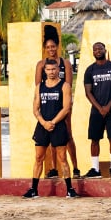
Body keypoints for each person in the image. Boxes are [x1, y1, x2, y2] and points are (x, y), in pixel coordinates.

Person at [24, 58, 80, 199]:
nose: (51, 72)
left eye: (54, 69)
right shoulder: (39, 87)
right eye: (48, 69)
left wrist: (53, 122)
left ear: (58, 70)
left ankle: (69, 189)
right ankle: (34, 190)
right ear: (44, 71)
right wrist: (44, 123)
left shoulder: (64, 86)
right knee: (38, 157)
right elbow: (35, 109)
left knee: (62, 158)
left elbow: (66, 108)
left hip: (58, 125)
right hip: (42, 126)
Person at [33, 28, 79, 178]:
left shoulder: (65, 63)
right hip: (48, 104)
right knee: (50, 134)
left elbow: (68, 85)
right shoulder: (41, 65)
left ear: (57, 46)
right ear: (45, 48)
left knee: (67, 135)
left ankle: (76, 167)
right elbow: (39, 86)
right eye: (48, 47)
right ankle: (53, 167)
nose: (50, 49)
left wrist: (67, 107)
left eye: (53, 46)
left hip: (63, 104)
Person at [82, 41, 111, 179]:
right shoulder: (90, 70)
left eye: (100, 48)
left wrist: (108, 107)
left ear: (105, 50)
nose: (98, 51)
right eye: (95, 49)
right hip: (96, 111)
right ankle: (95, 169)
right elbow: (88, 92)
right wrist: (100, 108)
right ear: (93, 52)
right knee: (94, 139)